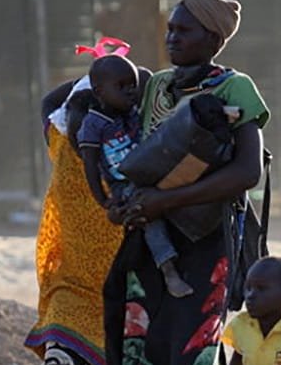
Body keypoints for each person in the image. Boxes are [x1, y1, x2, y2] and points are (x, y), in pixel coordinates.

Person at [106, 0, 269, 365]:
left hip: (205, 257)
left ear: (213, 36)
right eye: (170, 28)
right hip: (148, 260)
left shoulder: (235, 89)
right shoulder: (152, 91)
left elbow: (246, 172)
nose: (172, 37)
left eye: (184, 29)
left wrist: (164, 204)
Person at [26, 54, 140, 365]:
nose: (81, 122)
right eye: (78, 111)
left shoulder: (129, 145)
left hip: (128, 284)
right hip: (72, 285)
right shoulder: (60, 138)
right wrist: (90, 79)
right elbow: (50, 102)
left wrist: (116, 77)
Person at [75, 52, 194, 298]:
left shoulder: (133, 112)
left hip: (151, 172)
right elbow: (90, 166)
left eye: (133, 86)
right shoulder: (93, 124)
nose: (130, 91)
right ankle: (168, 268)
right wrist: (104, 201)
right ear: (99, 92)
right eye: (121, 87)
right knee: (148, 217)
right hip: (124, 184)